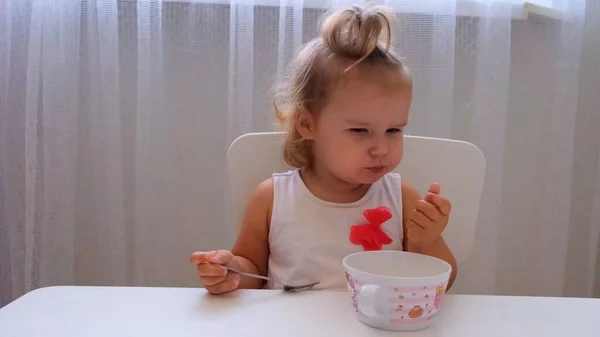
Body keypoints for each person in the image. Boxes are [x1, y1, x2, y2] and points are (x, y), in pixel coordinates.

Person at [190, 4, 457, 295]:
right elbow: (253, 270)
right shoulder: (272, 198)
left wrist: (427, 241)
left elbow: (440, 284)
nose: (381, 148)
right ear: (307, 124)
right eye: (360, 131)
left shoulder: (402, 199)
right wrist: (231, 271)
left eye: (394, 130)